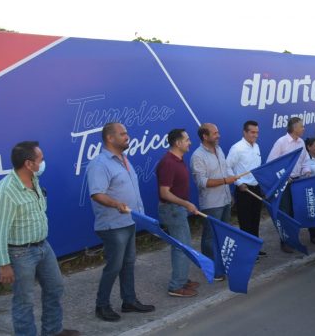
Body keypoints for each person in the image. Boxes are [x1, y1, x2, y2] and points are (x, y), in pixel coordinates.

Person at [0, 141, 80, 336]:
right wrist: (3, 264)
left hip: (43, 247)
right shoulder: (4, 191)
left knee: (55, 287)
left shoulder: (34, 180)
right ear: (29, 164)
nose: (43, 162)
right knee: (24, 301)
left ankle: (53, 331)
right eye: (41, 159)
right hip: (20, 253)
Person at [86, 123, 155, 322]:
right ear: (110, 138)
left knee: (128, 264)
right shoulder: (100, 164)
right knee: (114, 266)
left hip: (129, 221)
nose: (127, 136)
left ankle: (129, 301)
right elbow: (97, 194)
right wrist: (116, 204)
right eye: (123, 134)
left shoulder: (124, 159)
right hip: (113, 224)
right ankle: (102, 306)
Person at [156, 128, 200, 298]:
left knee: (184, 246)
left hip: (178, 209)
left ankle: (182, 278)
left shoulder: (178, 160)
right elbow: (164, 193)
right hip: (172, 210)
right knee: (181, 248)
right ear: (178, 143)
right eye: (187, 139)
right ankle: (176, 286)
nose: (190, 142)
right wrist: (186, 203)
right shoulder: (168, 163)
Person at [190, 123, 237, 281]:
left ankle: (223, 265)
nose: (219, 135)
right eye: (215, 133)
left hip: (224, 200)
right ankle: (212, 269)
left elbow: (225, 170)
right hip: (211, 204)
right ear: (205, 136)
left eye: (218, 132)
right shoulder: (197, 156)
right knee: (210, 237)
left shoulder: (219, 149)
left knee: (224, 236)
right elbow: (202, 182)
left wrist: (230, 192)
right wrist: (225, 181)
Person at [267, 117, 309, 253]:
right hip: (284, 184)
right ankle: (285, 241)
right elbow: (271, 163)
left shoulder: (301, 142)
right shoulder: (281, 142)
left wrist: (306, 170)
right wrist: (284, 177)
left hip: (298, 182)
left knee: (295, 212)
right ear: (294, 128)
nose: (303, 129)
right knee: (285, 213)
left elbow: (305, 160)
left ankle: (293, 239)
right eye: (301, 126)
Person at [226, 121, 265, 256]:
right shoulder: (237, 148)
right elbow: (227, 167)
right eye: (252, 132)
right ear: (245, 132)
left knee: (255, 220)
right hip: (244, 190)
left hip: (256, 188)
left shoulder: (257, 147)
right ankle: (247, 253)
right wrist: (238, 183)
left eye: (257, 132)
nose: (255, 135)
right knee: (245, 222)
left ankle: (255, 249)